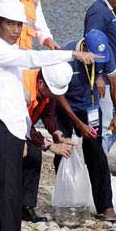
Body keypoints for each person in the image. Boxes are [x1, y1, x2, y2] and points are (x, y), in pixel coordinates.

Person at [0, 0, 97, 231]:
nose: (14, 29)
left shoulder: (8, 54)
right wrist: (71, 54)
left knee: (4, 192)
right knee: (8, 193)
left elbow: (18, 102)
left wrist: (26, 136)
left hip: (10, 128)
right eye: (9, 23)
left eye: (18, 24)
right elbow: (33, 57)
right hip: (0, 127)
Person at [55, 29, 116, 221]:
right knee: (64, 150)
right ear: (84, 48)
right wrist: (78, 124)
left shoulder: (104, 52)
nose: (97, 64)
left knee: (96, 152)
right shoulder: (67, 54)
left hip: (90, 107)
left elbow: (114, 83)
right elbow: (57, 94)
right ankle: (66, 202)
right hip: (65, 106)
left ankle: (106, 206)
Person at [20, 69, 75, 222]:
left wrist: (58, 134)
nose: (54, 96)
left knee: (34, 154)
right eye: (52, 92)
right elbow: (23, 126)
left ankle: (26, 206)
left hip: (25, 125)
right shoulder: (24, 87)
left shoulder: (48, 89)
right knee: (8, 157)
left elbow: (48, 115)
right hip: (7, 124)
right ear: (41, 84)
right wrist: (50, 146)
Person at [84, 0, 116, 153]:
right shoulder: (98, 12)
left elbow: (111, 44)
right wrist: (99, 76)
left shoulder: (114, 12)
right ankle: (98, 166)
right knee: (105, 122)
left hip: (112, 73)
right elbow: (92, 43)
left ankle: (100, 158)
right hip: (101, 78)